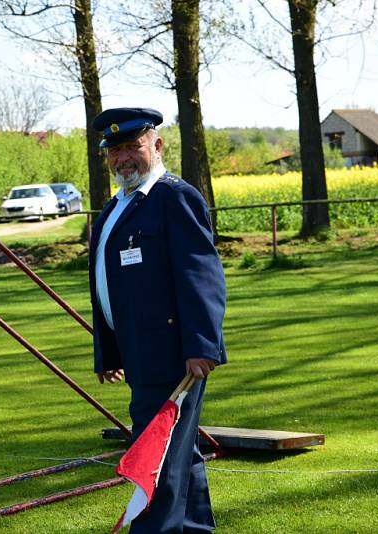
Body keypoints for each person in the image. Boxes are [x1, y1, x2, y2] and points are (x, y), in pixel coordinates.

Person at [89, 107, 227, 533]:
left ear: (157, 145)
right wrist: (108, 351)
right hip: (137, 351)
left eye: (133, 146)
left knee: (156, 459)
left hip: (172, 355)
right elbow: (109, 286)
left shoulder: (174, 196)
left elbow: (200, 274)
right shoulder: (116, 207)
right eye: (114, 150)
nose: (123, 158)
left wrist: (202, 345)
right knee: (179, 454)